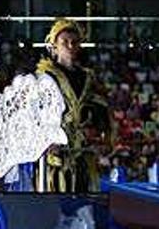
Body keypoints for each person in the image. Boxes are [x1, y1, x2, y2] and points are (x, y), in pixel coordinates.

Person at [37, 19, 110, 192]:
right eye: (64, 42)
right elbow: (37, 113)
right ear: (54, 46)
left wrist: (104, 136)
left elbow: (100, 108)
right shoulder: (45, 76)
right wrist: (45, 140)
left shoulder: (88, 77)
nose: (70, 46)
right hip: (56, 151)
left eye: (74, 42)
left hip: (82, 148)